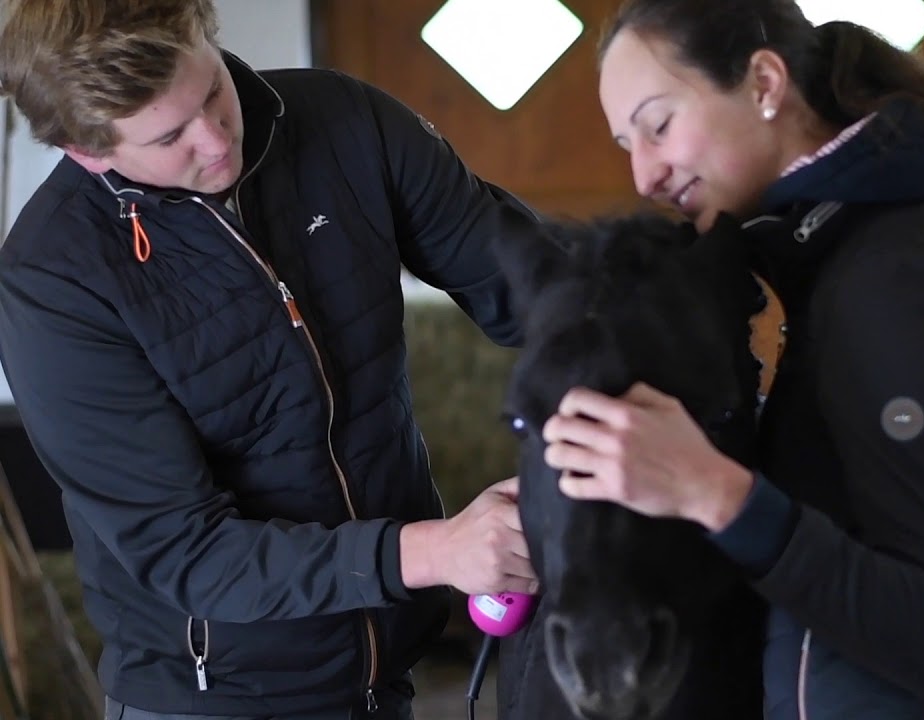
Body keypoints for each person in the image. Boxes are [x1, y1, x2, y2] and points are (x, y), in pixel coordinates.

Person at [540, 1, 924, 718]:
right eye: (626, 143)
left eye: (658, 125)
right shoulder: (852, 244)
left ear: (766, 84)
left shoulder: (897, 273)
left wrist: (714, 491)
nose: (644, 174)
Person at [0, 1, 540, 718]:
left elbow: (534, 288)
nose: (219, 143)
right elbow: (187, 552)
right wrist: (436, 553)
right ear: (86, 151)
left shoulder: (345, 121)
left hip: (387, 670)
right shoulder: (54, 281)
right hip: (216, 697)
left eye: (215, 91)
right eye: (170, 137)